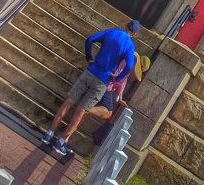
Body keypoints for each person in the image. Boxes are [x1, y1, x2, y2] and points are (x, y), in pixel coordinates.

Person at [40, 19, 140, 159]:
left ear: (125, 26)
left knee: (69, 102)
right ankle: (61, 141)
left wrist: (89, 57)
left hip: (90, 71)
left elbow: (90, 39)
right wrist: (117, 78)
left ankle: (49, 133)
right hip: (103, 80)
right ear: (134, 34)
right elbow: (129, 66)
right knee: (81, 111)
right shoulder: (129, 45)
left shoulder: (112, 32)